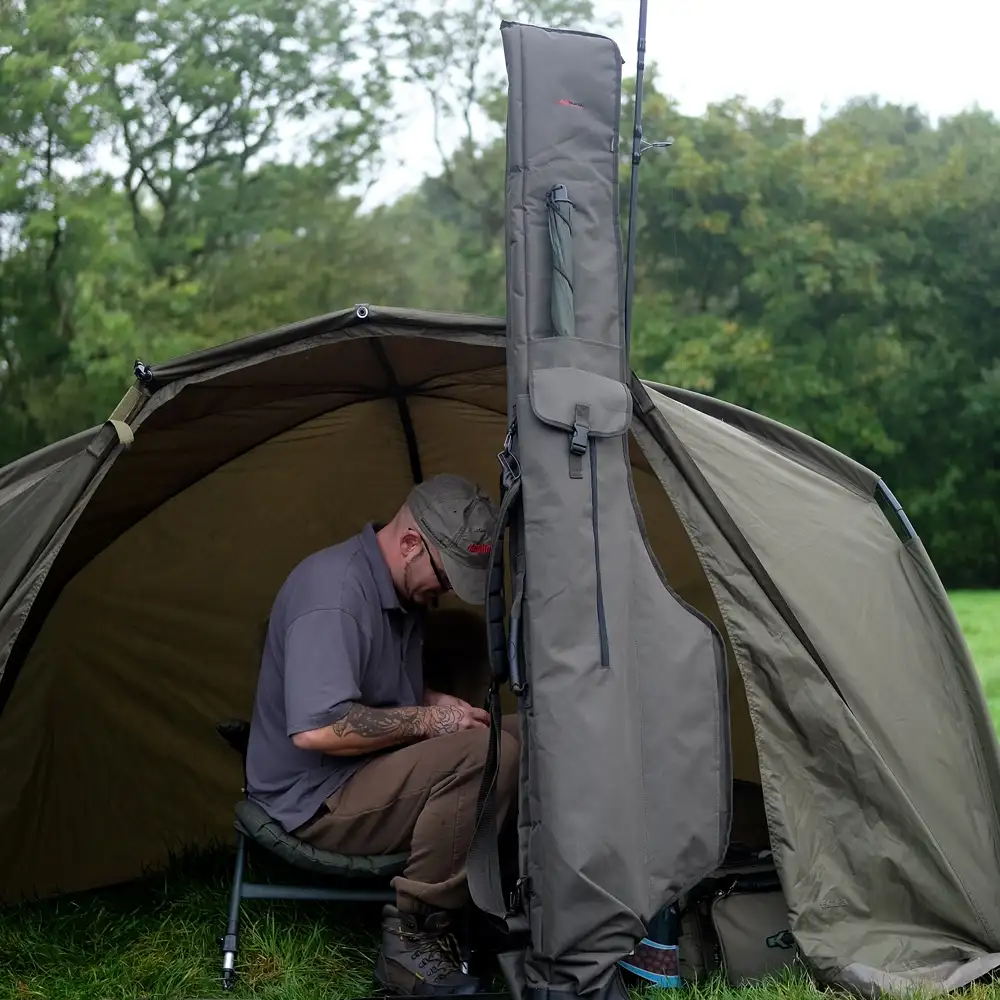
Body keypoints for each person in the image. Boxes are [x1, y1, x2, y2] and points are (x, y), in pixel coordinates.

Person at [245, 473, 520, 996]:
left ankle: (499, 899)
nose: (443, 592)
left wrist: (437, 702)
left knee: (525, 735)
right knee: (489, 755)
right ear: (412, 544)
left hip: (366, 772)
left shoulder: (400, 591)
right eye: (444, 576)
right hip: (315, 800)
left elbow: (383, 692)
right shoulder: (333, 592)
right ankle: (412, 944)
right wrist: (433, 721)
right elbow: (321, 728)